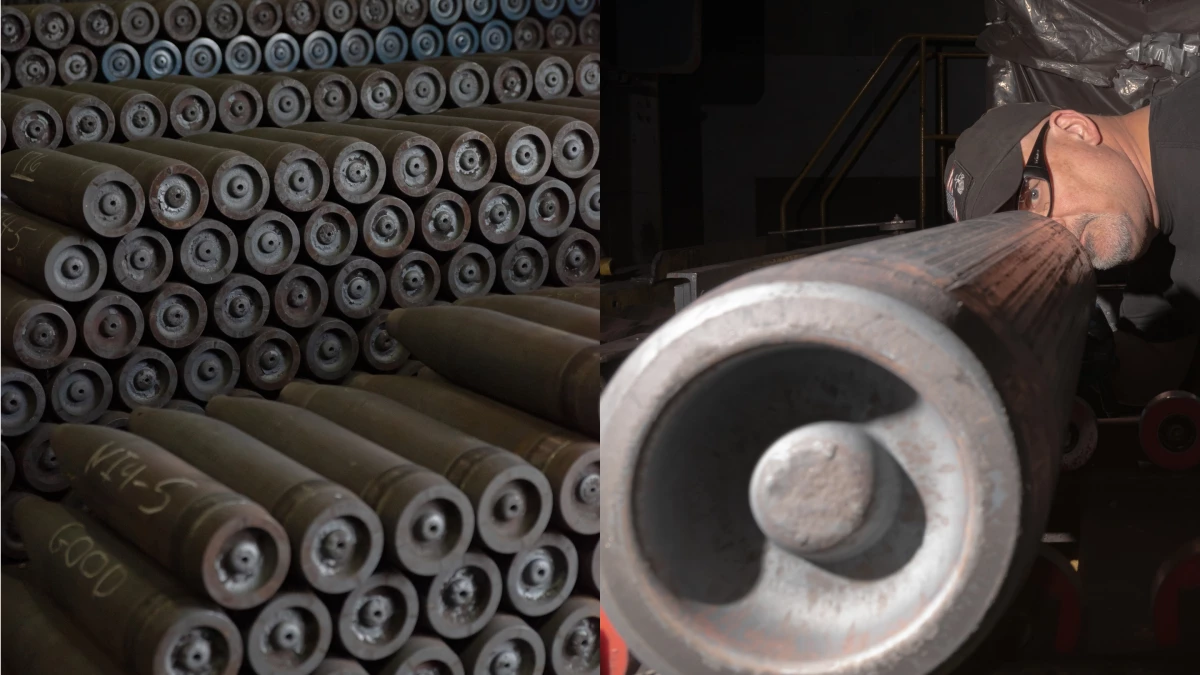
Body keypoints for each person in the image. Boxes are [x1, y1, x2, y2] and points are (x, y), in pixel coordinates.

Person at [946, 74, 1199, 393]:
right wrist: (1079, 350)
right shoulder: (1155, 239)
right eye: (1021, 238)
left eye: (1033, 196)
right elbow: (1154, 369)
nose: (1050, 237)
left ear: (1074, 129)